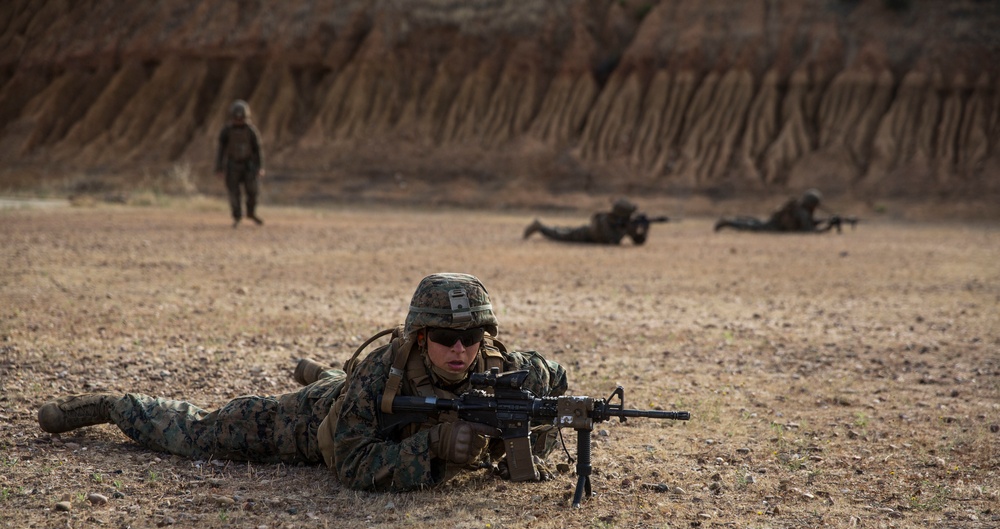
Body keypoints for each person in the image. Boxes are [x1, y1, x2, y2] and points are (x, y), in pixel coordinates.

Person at [37, 274, 569, 492]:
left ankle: (320, 368)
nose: (461, 349)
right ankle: (113, 405)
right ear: (420, 334)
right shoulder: (381, 370)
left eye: (472, 335)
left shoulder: (505, 370)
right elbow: (351, 459)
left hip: (356, 394)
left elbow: (549, 394)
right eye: (446, 338)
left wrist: (531, 432)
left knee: (343, 380)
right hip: (315, 418)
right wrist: (431, 449)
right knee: (204, 431)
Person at [215, 100, 265, 228]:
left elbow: (258, 150)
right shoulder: (226, 131)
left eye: (241, 118)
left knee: (253, 191)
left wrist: (260, 167)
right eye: (236, 118)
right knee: (234, 193)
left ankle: (251, 213)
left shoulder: (251, 131)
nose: (238, 121)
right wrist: (219, 168)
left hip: (248, 166)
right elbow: (220, 150)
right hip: (232, 166)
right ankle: (237, 217)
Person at [523, 198, 655, 245]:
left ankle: (542, 226)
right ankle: (540, 226)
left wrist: (643, 231)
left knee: (565, 230)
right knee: (561, 234)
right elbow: (610, 240)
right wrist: (627, 229)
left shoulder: (623, 223)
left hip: (589, 235)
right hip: (585, 234)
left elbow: (638, 242)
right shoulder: (604, 220)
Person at [714, 189, 826, 233]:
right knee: (753, 226)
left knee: (756, 223)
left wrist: (823, 221)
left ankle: (733, 220)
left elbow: (807, 223)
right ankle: (728, 222)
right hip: (774, 227)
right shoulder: (802, 212)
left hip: (774, 224)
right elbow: (808, 230)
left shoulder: (799, 210)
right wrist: (826, 228)